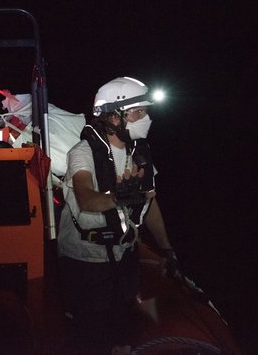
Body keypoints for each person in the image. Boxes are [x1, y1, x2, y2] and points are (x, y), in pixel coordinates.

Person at [56, 76, 180, 349]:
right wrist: (119, 197)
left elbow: (149, 204)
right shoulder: (83, 152)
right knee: (88, 335)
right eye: (139, 112)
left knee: (122, 327)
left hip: (125, 253)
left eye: (146, 112)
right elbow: (87, 199)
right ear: (114, 117)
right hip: (85, 260)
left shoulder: (140, 154)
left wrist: (167, 249)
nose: (145, 118)